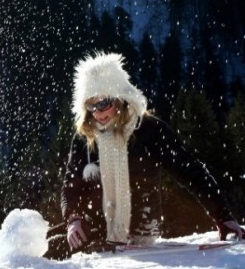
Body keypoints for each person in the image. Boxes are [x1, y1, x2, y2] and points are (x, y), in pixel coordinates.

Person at [45, 51, 244, 260]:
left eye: (104, 103)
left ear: (120, 98)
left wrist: (223, 216)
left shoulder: (148, 130)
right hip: (95, 227)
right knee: (43, 246)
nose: (98, 112)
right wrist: (73, 219)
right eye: (91, 105)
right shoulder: (84, 138)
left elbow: (190, 171)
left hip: (140, 229)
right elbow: (71, 185)